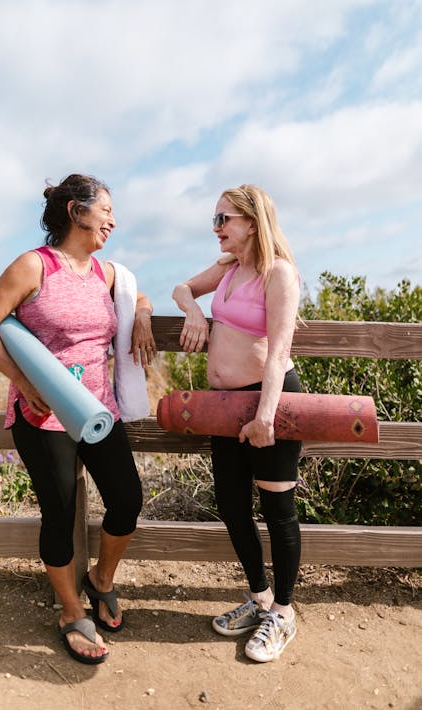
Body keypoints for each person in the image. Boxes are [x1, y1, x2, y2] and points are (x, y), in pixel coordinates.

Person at [0, 173, 156, 665]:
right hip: (41, 413)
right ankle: (71, 611)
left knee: (127, 499)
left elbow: (136, 294)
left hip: (98, 410)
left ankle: (101, 580)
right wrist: (25, 385)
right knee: (59, 512)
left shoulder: (105, 273)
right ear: (76, 211)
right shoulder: (34, 265)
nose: (113, 220)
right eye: (105, 210)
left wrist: (144, 315)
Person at [172, 184, 302, 663]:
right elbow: (182, 287)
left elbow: (280, 349)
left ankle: (284, 613)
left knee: (277, 509)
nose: (217, 229)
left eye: (223, 219)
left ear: (252, 221)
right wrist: (195, 313)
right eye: (215, 221)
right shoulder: (228, 268)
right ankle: (260, 597)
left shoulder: (279, 274)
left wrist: (266, 415)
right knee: (230, 504)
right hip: (224, 406)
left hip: (268, 402)